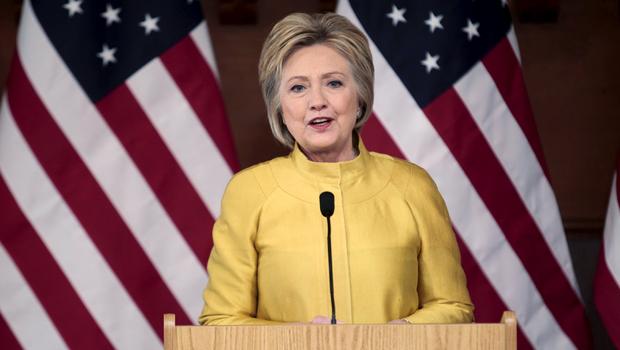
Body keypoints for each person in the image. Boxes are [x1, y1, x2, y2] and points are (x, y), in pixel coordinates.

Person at [199, 12, 474, 325]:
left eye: (333, 83)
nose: (317, 101)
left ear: (359, 97)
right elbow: (220, 321)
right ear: (280, 108)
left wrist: (404, 334)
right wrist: (297, 341)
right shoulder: (250, 192)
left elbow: (454, 307)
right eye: (298, 88)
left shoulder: (413, 186)